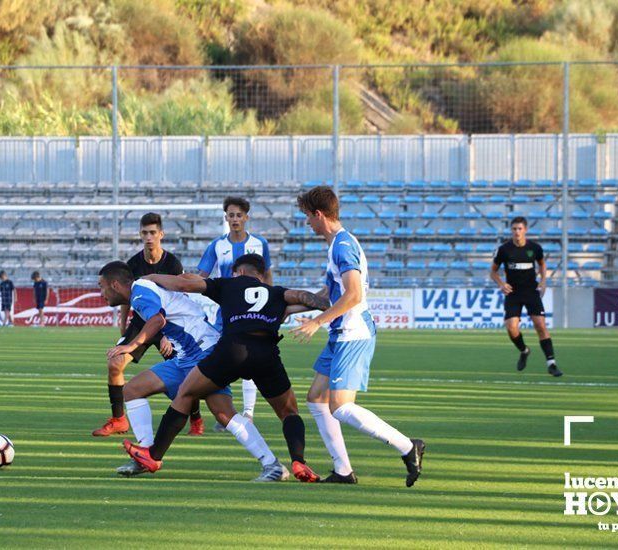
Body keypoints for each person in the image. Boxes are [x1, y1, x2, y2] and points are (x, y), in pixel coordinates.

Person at [123, 254, 330, 482]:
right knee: (288, 412)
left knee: (187, 394)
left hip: (232, 351)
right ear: (261, 276)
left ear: (239, 272)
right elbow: (305, 299)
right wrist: (325, 299)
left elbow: (184, 283)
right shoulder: (276, 293)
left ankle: (153, 454)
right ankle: (299, 461)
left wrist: (150, 276)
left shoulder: (228, 284)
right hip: (266, 354)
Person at [99, 261, 289, 481]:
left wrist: (131, 345)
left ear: (114, 284)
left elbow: (157, 320)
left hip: (202, 350)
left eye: (101, 286)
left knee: (222, 412)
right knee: (133, 390)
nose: (100, 292)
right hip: (187, 356)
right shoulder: (143, 288)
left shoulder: (140, 292)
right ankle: (146, 455)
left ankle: (272, 465)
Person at [290, 185, 425, 486]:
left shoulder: (342, 246)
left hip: (353, 333)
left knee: (341, 406)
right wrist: (300, 309)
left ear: (319, 214)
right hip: (340, 333)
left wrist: (318, 322)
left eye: (307, 217)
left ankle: (407, 446)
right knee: (316, 399)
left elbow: (351, 295)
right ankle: (343, 470)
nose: (307, 223)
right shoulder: (338, 243)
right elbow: (332, 293)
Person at [92, 213, 205, 437]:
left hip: (167, 324)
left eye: (153, 232)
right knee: (115, 363)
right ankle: (118, 420)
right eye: (145, 233)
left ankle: (196, 418)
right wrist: (123, 326)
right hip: (142, 322)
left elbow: (178, 299)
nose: (149, 237)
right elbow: (126, 295)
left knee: (183, 372)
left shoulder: (172, 263)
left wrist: (165, 334)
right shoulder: (133, 263)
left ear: (161, 234)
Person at [197, 196, 271, 428]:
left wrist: (270, 301)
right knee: (221, 358)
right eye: (231, 215)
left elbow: (267, 275)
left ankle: (248, 412)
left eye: (239, 215)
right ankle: (226, 411)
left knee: (249, 358)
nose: (235, 219)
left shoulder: (260, 244)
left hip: (253, 310)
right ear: (226, 217)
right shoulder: (217, 245)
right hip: (227, 310)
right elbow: (202, 276)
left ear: (246, 217)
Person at [490, 216, 562, 377]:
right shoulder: (504, 250)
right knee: (511, 327)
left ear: (525, 230)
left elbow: (542, 264)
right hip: (513, 293)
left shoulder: (535, 248)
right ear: (511, 231)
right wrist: (502, 284)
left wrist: (543, 281)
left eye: (520, 229)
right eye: (514, 229)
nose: (517, 232)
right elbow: (492, 271)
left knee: (540, 326)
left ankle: (551, 363)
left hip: (530, 291)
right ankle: (524, 350)